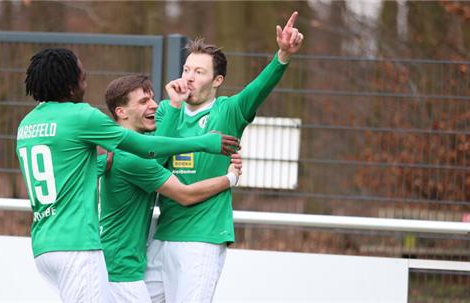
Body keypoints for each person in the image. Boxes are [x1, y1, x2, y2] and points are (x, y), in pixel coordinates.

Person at [16, 48, 239, 302]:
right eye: (82, 78)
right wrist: (207, 145)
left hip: (43, 245)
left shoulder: (27, 125)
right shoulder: (81, 117)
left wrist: (102, 165)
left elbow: (71, 169)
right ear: (68, 86)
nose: (86, 85)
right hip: (80, 247)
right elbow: (147, 150)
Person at [144, 11, 304, 302]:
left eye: (199, 72)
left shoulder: (229, 111)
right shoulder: (169, 109)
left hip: (202, 238)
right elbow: (153, 160)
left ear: (217, 80)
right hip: (163, 234)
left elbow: (259, 89)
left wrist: (282, 56)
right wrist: (175, 107)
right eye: (187, 69)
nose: (189, 77)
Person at [97, 74, 242, 303]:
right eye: (144, 101)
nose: (154, 105)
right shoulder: (130, 159)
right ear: (121, 112)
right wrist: (230, 178)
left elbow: (157, 150)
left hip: (115, 267)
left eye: (153, 98)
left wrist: (174, 104)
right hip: (120, 274)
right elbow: (185, 194)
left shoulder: (119, 150)